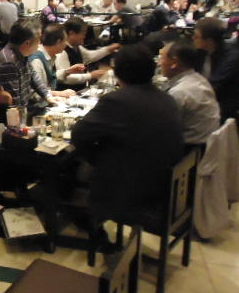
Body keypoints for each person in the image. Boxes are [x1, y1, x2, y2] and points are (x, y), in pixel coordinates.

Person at [71, 44, 183, 220]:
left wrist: (96, 158)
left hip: (129, 186)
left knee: (73, 165)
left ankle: (81, 215)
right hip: (161, 182)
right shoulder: (168, 98)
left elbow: (78, 134)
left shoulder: (117, 100)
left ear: (118, 72)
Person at [159, 41, 220, 146]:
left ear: (174, 63)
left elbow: (163, 130)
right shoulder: (200, 79)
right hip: (208, 145)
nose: (159, 63)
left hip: (190, 149)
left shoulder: (179, 92)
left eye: (162, 58)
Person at [0, 19, 56, 111]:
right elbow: (15, 101)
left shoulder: (20, 52)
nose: (40, 43)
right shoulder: (9, 62)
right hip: (8, 114)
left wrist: (48, 96)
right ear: (27, 43)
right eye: (39, 39)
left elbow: (32, 75)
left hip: (22, 108)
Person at [193, 17, 239, 120]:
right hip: (201, 97)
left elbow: (214, 84)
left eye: (196, 37)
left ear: (209, 41)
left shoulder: (231, 56)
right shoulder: (200, 51)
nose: (193, 39)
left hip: (221, 103)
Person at [56, 17, 120, 89]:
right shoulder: (62, 51)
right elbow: (65, 79)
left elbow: (90, 56)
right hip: (67, 92)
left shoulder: (77, 47)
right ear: (71, 33)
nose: (84, 36)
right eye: (82, 34)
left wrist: (109, 49)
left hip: (79, 89)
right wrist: (90, 75)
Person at [28, 24, 81, 93]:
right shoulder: (37, 61)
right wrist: (60, 93)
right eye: (65, 40)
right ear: (58, 42)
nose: (66, 44)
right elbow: (37, 91)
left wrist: (67, 71)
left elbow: (51, 76)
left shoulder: (47, 55)